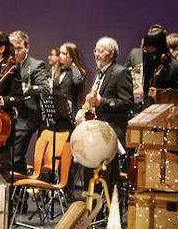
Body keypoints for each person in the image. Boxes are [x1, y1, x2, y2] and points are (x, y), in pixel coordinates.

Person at [0, 30, 51, 173]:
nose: (15, 52)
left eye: (19, 48)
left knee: (14, 158)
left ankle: (12, 191)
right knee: (7, 159)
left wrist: (25, 89)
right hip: (6, 117)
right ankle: (17, 192)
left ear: (27, 47)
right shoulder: (6, 64)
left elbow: (45, 89)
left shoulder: (36, 65)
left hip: (25, 117)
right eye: (13, 48)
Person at [81, 37, 134, 188]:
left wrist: (101, 102)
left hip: (110, 133)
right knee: (90, 175)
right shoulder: (100, 73)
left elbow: (127, 102)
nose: (96, 54)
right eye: (95, 50)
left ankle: (106, 209)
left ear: (111, 54)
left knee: (107, 180)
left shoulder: (120, 72)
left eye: (101, 51)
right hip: (96, 133)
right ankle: (91, 207)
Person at [53, 42, 87, 131]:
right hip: (58, 114)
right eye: (60, 53)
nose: (60, 55)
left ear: (71, 56)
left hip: (70, 114)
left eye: (64, 53)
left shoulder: (78, 72)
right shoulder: (59, 71)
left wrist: (73, 65)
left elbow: (77, 81)